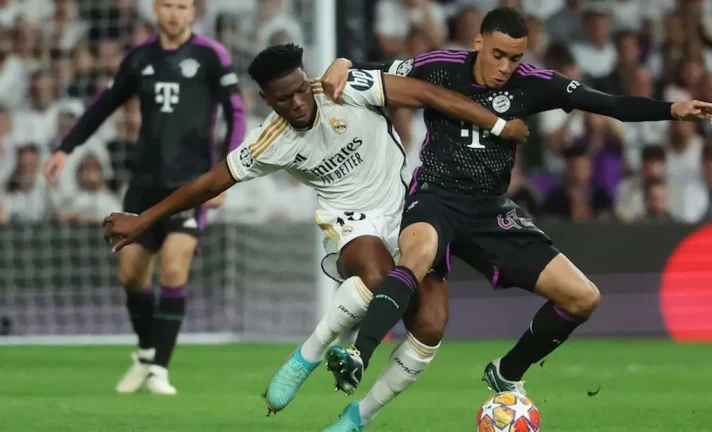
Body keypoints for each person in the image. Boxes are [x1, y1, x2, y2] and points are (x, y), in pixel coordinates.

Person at [319, 5, 712, 425]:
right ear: (478, 42)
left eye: (515, 58)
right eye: (498, 55)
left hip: (490, 210)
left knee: (584, 297)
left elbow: (609, 104)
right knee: (416, 256)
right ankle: (358, 354)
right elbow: (377, 70)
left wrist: (672, 109)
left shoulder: (534, 84)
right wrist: (345, 62)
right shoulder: (438, 66)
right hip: (436, 197)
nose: (505, 67)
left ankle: (507, 371)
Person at [102, 43, 528, 429]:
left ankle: (358, 417)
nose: (298, 103)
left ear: (307, 80)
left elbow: (429, 95)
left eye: (300, 90)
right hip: (349, 221)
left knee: (432, 324)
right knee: (377, 273)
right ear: (267, 101)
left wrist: (498, 126)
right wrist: (143, 221)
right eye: (283, 99)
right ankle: (309, 353)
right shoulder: (271, 139)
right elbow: (210, 183)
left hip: (411, 209)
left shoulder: (347, 87)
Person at [42, 0, 245, 395]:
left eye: (182, 6)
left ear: (193, 12)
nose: (174, 13)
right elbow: (104, 105)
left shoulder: (211, 55)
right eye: (167, 5)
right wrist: (66, 147)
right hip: (144, 184)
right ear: (155, 9)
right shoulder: (139, 58)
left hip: (191, 185)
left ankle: (159, 370)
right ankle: (147, 351)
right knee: (131, 274)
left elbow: (235, 112)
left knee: (173, 265)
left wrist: (228, 171)